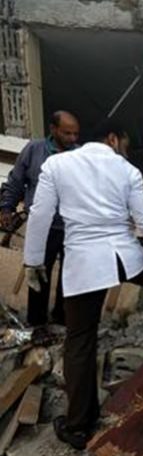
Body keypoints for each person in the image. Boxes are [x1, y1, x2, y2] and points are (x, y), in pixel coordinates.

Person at [24, 120, 143, 450]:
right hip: (125, 256)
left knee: (80, 341)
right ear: (113, 139)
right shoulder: (127, 170)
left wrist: (33, 261)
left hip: (85, 264)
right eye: (125, 145)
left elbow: (40, 215)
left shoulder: (57, 165)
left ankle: (79, 427)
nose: (125, 151)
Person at [0, 111, 80, 327]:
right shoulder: (34, 150)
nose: (72, 138)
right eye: (67, 133)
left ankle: (62, 320)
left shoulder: (80, 155)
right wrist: (6, 208)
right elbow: (16, 181)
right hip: (42, 228)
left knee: (70, 278)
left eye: (75, 134)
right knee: (37, 274)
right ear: (53, 129)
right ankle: (37, 324)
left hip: (72, 227)